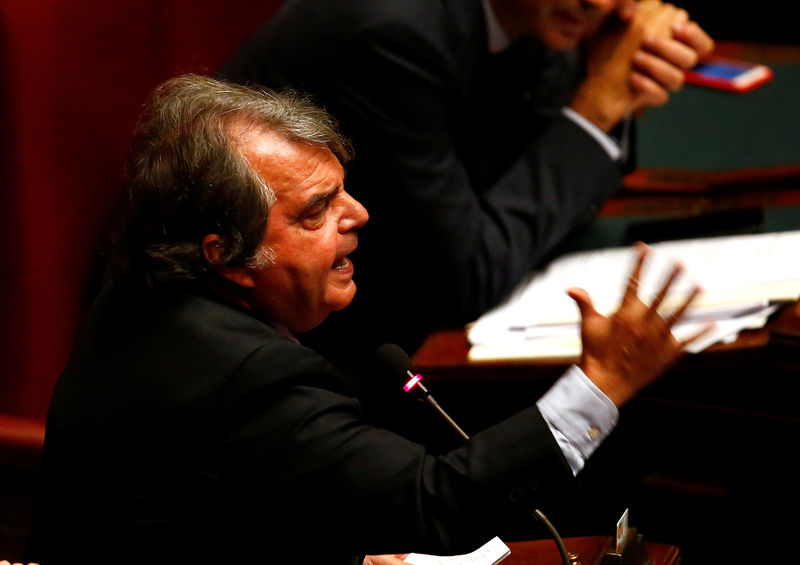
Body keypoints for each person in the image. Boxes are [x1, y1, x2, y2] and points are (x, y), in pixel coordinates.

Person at [29, 75, 707, 565]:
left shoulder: (138, 290)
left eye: (342, 188)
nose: (358, 216)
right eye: (315, 211)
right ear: (228, 256)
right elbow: (437, 505)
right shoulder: (249, 375)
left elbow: (211, 503)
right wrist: (603, 381)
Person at [219, 0, 715, 363]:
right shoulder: (394, 33)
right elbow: (468, 275)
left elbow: (533, 187)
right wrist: (600, 103)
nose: (600, 4)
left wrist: (608, 69)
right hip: (292, 346)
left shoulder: (533, 18)